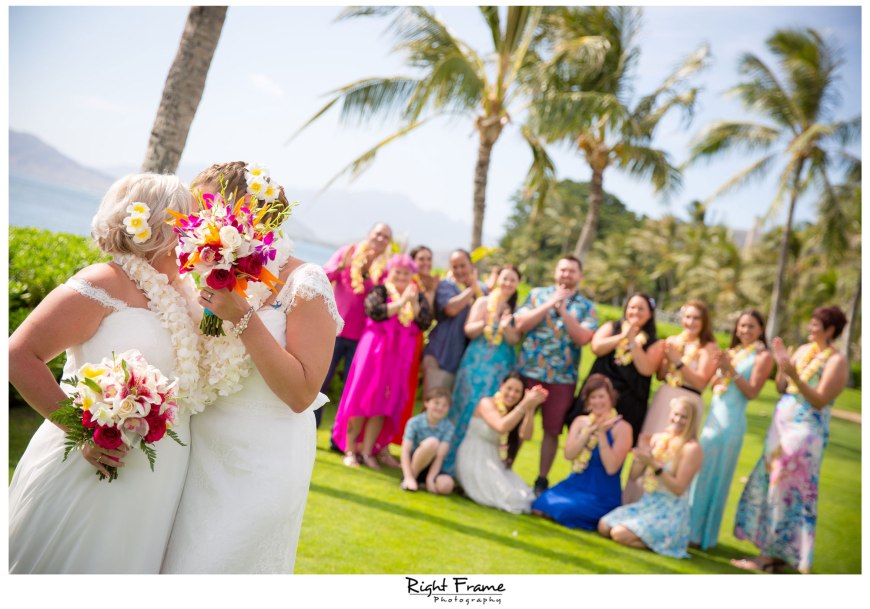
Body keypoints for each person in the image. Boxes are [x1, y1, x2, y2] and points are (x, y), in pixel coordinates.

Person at [9, 173, 200, 573]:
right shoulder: (101, 283)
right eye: (189, 221)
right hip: (91, 461)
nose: (197, 231)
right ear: (161, 225)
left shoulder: (186, 296)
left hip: (157, 479)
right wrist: (81, 431)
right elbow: (18, 355)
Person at [161, 162, 342, 574]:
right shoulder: (201, 274)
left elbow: (302, 394)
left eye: (207, 206)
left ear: (247, 213)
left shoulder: (305, 281)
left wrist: (243, 316)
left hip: (264, 459)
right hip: (196, 452)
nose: (197, 219)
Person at [732, 306, 849, 574]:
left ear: (830, 329)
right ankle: (776, 555)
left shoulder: (836, 361)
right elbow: (782, 387)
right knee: (771, 484)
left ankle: (775, 557)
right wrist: (783, 366)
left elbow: (820, 400)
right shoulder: (802, 350)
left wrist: (796, 375)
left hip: (805, 430)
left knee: (787, 489)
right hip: (780, 425)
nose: (811, 328)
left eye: (816, 325)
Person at [331, 253, 434, 469]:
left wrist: (412, 303)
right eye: (398, 272)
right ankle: (350, 450)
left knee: (383, 402)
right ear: (391, 271)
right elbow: (375, 311)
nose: (402, 277)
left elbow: (423, 321)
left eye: (407, 273)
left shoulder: (416, 295)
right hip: (374, 350)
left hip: (397, 356)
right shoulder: (381, 290)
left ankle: (368, 452)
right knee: (362, 396)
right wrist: (401, 302)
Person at [513, 254, 598, 496]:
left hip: (562, 379)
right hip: (529, 372)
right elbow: (521, 324)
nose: (566, 275)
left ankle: (541, 479)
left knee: (552, 430)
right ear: (555, 272)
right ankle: (506, 466)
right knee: (519, 421)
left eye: (572, 271)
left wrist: (564, 311)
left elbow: (583, 338)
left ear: (579, 276)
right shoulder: (537, 295)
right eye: (563, 270)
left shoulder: (586, 308)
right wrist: (550, 304)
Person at [688, 309, 773, 550]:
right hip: (713, 418)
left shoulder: (762, 356)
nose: (745, 331)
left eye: (751, 327)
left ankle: (703, 537)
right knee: (700, 473)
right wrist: (719, 375)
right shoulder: (733, 352)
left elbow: (752, 392)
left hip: (732, 423)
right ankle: (689, 528)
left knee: (718, 477)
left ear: (760, 330)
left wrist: (731, 371)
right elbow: (717, 384)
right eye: (742, 326)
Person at [622, 299, 718, 504]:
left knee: (676, 449)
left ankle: (662, 501)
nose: (690, 322)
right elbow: (659, 375)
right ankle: (632, 500)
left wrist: (678, 361)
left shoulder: (708, 347)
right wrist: (666, 361)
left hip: (689, 400)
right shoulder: (674, 341)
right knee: (650, 444)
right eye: (687, 317)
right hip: (665, 397)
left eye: (696, 318)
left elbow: (701, 381)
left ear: (704, 322)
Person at [598, 396, 703, 559]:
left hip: (670, 510)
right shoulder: (659, 439)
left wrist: (654, 465)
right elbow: (634, 476)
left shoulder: (692, 449)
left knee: (619, 534)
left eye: (684, 417)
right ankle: (649, 539)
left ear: (692, 420)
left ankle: (666, 543)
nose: (678, 420)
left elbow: (678, 488)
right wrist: (642, 455)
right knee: (604, 526)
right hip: (648, 503)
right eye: (675, 414)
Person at [442, 264, 522, 475]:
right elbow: (468, 330)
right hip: (476, 364)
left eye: (512, 280)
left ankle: (475, 470)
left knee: (489, 412)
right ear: (497, 280)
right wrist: (487, 321)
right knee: (464, 408)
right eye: (504, 278)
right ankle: (448, 465)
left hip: (500, 367)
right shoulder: (483, 302)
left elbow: (515, 340)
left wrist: (506, 327)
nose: (507, 283)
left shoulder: (517, 310)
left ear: (517, 285)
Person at [532, 374, 632, 530]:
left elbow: (612, 468)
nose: (598, 402)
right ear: (587, 401)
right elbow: (569, 455)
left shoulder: (623, 428)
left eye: (601, 397)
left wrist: (601, 434)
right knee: (539, 505)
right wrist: (586, 433)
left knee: (564, 510)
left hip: (601, 492)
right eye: (593, 397)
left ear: (611, 398)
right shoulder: (580, 422)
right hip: (575, 483)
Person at [319, 222, 393, 427]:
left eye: (386, 237)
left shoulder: (385, 270)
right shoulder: (348, 253)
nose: (380, 239)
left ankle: (339, 437)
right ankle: (310, 428)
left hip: (361, 338)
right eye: (378, 234)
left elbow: (383, 302)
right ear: (369, 234)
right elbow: (322, 276)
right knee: (320, 382)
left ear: (389, 243)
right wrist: (342, 266)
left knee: (351, 390)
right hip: (334, 329)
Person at [567, 293, 663, 446]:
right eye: (632, 307)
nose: (635, 312)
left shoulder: (655, 342)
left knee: (615, 444)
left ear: (650, 314)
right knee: (585, 440)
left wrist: (632, 341)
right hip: (600, 392)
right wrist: (622, 336)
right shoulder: (612, 327)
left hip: (628, 399)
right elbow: (596, 347)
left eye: (641, 309)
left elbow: (646, 369)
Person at [454, 373, 548, 513]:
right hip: (474, 456)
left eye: (517, 391)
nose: (511, 394)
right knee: (510, 498)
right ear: (501, 386)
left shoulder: (516, 410)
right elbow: (501, 426)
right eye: (509, 388)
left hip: (495, 459)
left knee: (523, 492)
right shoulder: (486, 403)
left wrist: (530, 408)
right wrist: (524, 404)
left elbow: (526, 435)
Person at [391, 245, 440, 446]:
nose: (426, 263)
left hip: (415, 340)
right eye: (421, 259)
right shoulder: (405, 281)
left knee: (406, 390)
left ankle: (394, 438)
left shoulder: (428, 285)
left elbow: (426, 317)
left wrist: (432, 290)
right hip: (397, 338)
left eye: (429, 259)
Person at [421, 249, 486, 394]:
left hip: (465, 361)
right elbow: (451, 309)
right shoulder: (446, 286)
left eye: (462, 265)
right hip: (441, 355)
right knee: (434, 404)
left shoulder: (482, 290)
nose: (459, 270)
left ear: (471, 265)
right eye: (454, 267)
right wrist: (471, 290)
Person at [400, 386, 455, 494]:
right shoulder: (414, 422)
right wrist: (408, 475)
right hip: (416, 462)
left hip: (433, 466)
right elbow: (405, 451)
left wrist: (430, 479)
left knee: (447, 486)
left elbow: (440, 456)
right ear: (426, 403)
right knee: (432, 443)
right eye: (436, 403)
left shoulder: (448, 427)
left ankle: (424, 482)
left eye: (444, 405)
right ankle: (410, 479)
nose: (440, 408)